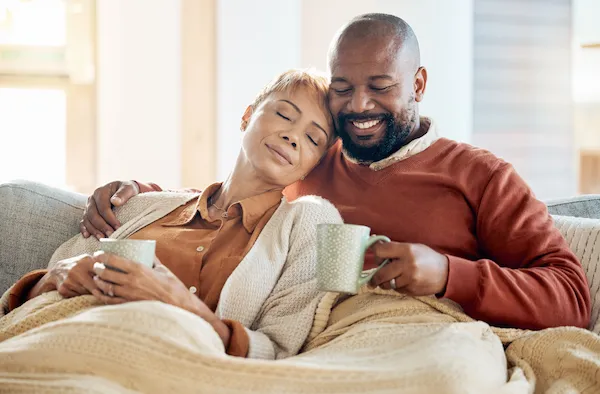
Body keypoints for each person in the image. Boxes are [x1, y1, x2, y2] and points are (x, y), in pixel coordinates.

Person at [84, 13, 591, 330]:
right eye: (343, 88)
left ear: (418, 83)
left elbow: (570, 295)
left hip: (416, 332)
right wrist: (137, 194)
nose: (359, 105)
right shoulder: (311, 157)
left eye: (380, 85)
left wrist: (447, 274)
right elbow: (234, 197)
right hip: (307, 337)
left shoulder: (480, 175)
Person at [2, 69, 343, 360]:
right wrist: (55, 276)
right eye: (284, 115)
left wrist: (181, 304)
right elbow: (22, 301)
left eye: (313, 139)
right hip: (46, 339)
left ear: (313, 165)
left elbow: (279, 354)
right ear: (247, 115)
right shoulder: (145, 205)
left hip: (144, 365)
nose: (293, 136)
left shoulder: (308, 223)